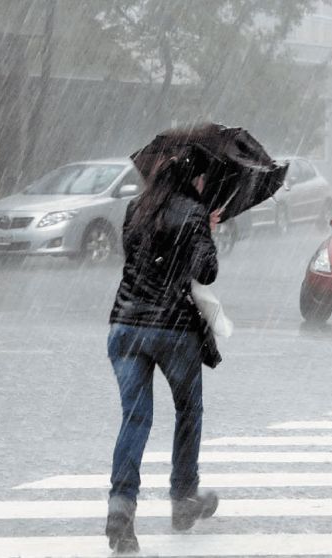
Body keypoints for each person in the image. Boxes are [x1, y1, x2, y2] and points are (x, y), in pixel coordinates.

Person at [105, 148, 220, 553]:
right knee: (188, 410)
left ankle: (121, 508)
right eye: (202, 177)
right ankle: (183, 498)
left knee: (135, 418)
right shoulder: (193, 212)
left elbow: (136, 258)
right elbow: (206, 271)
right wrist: (205, 230)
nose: (204, 184)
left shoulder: (135, 208)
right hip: (173, 329)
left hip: (125, 325)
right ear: (192, 178)